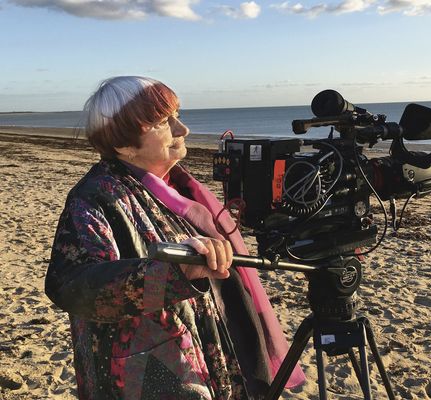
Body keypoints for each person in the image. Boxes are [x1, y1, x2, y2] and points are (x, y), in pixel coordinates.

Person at [45, 76, 304, 399]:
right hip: (148, 376)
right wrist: (169, 274)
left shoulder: (179, 189)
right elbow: (72, 285)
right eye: (163, 122)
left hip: (208, 358)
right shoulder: (95, 197)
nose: (183, 129)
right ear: (123, 144)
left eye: (178, 115)